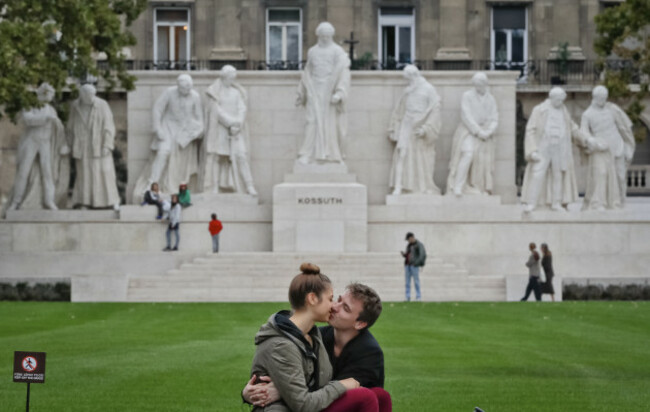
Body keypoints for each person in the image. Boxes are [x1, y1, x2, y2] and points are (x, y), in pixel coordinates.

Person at [247, 264, 380, 412]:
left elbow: (314, 384)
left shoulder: (313, 335)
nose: (334, 306)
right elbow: (303, 404)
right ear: (312, 299)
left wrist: (283, 390)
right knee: (366, 396)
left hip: (304, 404)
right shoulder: (283, 344)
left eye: (344, 306)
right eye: (331, 299)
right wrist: (342, 384)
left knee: (380, 396)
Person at [132, 74, 203, 199]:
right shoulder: (169, 92)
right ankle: (151, 184)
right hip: (168, 126)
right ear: (178, 86)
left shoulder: (195, 96)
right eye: (183, 89)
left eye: (188, 89)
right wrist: (158, 128)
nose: (186, 92)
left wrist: (195, 132)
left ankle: (177, 188)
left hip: (184, 131)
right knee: (163, 152)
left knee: (181, 161)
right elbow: (157, 109)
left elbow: (199, 119)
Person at [7, 83, 68, 212]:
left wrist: (62, 144)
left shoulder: (51, 109)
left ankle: (49, 200)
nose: (51, 97)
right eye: (50, 94)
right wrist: (45, 118)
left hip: (45, 142)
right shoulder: (30, 105)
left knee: (48, 172)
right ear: (43, 94)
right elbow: (28, 120)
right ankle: (16, 202)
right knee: (24, 171)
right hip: (31, 140)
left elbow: (58, 128)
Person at [296, 22, 351, 165]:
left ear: (331, 35)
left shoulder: (337, 51)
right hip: (314, 90)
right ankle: (307, 154)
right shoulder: (312, 51)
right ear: (318, 35)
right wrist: (301, 93)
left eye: (328, 36)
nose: (325, 38)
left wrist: (339, 93)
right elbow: (307, 73)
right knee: (311, 121)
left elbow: (344, 72)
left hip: (329, 90)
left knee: (329, 124)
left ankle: (331, 155)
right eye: (322, 35)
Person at [521, 87, 582, 212]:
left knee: (558, 175)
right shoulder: (539, 110)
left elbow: (572, 127)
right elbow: (530, 130)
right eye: (558, 100)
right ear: (552, 98)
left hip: (560, 147)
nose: (560, 102)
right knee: (537, 174)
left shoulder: (563, 110)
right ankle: (532, 202)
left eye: (562, 100)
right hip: (544, 146)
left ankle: (556, 202)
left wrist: (584, 138)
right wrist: (532, 150)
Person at [200, 65, 258, 196]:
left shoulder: (236, 92)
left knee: (241, 156)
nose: (232, 81)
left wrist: (238, 124)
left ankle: (249, 185)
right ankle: (214, 186)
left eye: (233, 78)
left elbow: (242, 109)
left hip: (236, 131)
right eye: (230, 78)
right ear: (224, 77)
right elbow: (216, 111)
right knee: (218, 158)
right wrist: (231, 123)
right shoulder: (215, 92)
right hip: (220, 130)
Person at [579, 85, 636, 210]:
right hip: (602, 149)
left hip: (617, 146)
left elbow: (624, 128)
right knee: (602, 176)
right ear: (595, 97)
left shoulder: (613, 109)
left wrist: (628, 146)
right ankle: (601, 202)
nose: (603, 100)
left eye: (605, 98)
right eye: (601, 98)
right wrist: (591, 140)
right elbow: (583, 132)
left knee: (620, 176)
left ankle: (620, 202)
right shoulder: (587, 114)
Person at [388, 64, 442, 195]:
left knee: (421, 157)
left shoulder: (429, 89)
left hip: (420, 125)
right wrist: (394, 128)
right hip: (407, 124)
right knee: (402, 154)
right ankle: (398, 186)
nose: (407, 82)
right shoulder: (408, 91)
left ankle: (422, 187)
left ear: (414, 76)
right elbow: (399, 110)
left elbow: (435, 109)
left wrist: (426, 128)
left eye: (408, 79)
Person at [68, 84, 120, 209]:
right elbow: (70, 126)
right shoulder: (75, 106)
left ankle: (112, 201)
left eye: (92, 95)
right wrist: (70, 144)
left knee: (105, 172)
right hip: (82, 145)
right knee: (84, 175)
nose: (91, 97)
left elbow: (109, 126)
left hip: (99, 144)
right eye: (88, 95)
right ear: (82, 95)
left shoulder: (102, 105)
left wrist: (107, 145)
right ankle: (85, 202)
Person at [447, 72, 499, 196]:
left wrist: (488, 131)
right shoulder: (467, 95)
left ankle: (480, 187)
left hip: (485, 133)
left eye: (480, 85)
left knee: (482, 160)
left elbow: (495, 117)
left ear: (485, 84)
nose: (478, 88)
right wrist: (478, 131)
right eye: (476, 85)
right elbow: (466, 116)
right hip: (468, 132)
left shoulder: (491, 99)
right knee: (468, 154)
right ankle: (458, 186)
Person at [401, 232, 426, 302]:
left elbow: (422, 255)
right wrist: (404, 255)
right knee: (407, 282)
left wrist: (417, 263)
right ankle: (407, 296)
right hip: (407, 265)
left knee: (416, 281)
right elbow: (408, 254)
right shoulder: (409, 245)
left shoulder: (419, 245)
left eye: (408, 239)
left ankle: (418, 296)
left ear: (412, 238)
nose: (408, 241)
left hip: (414, 266)